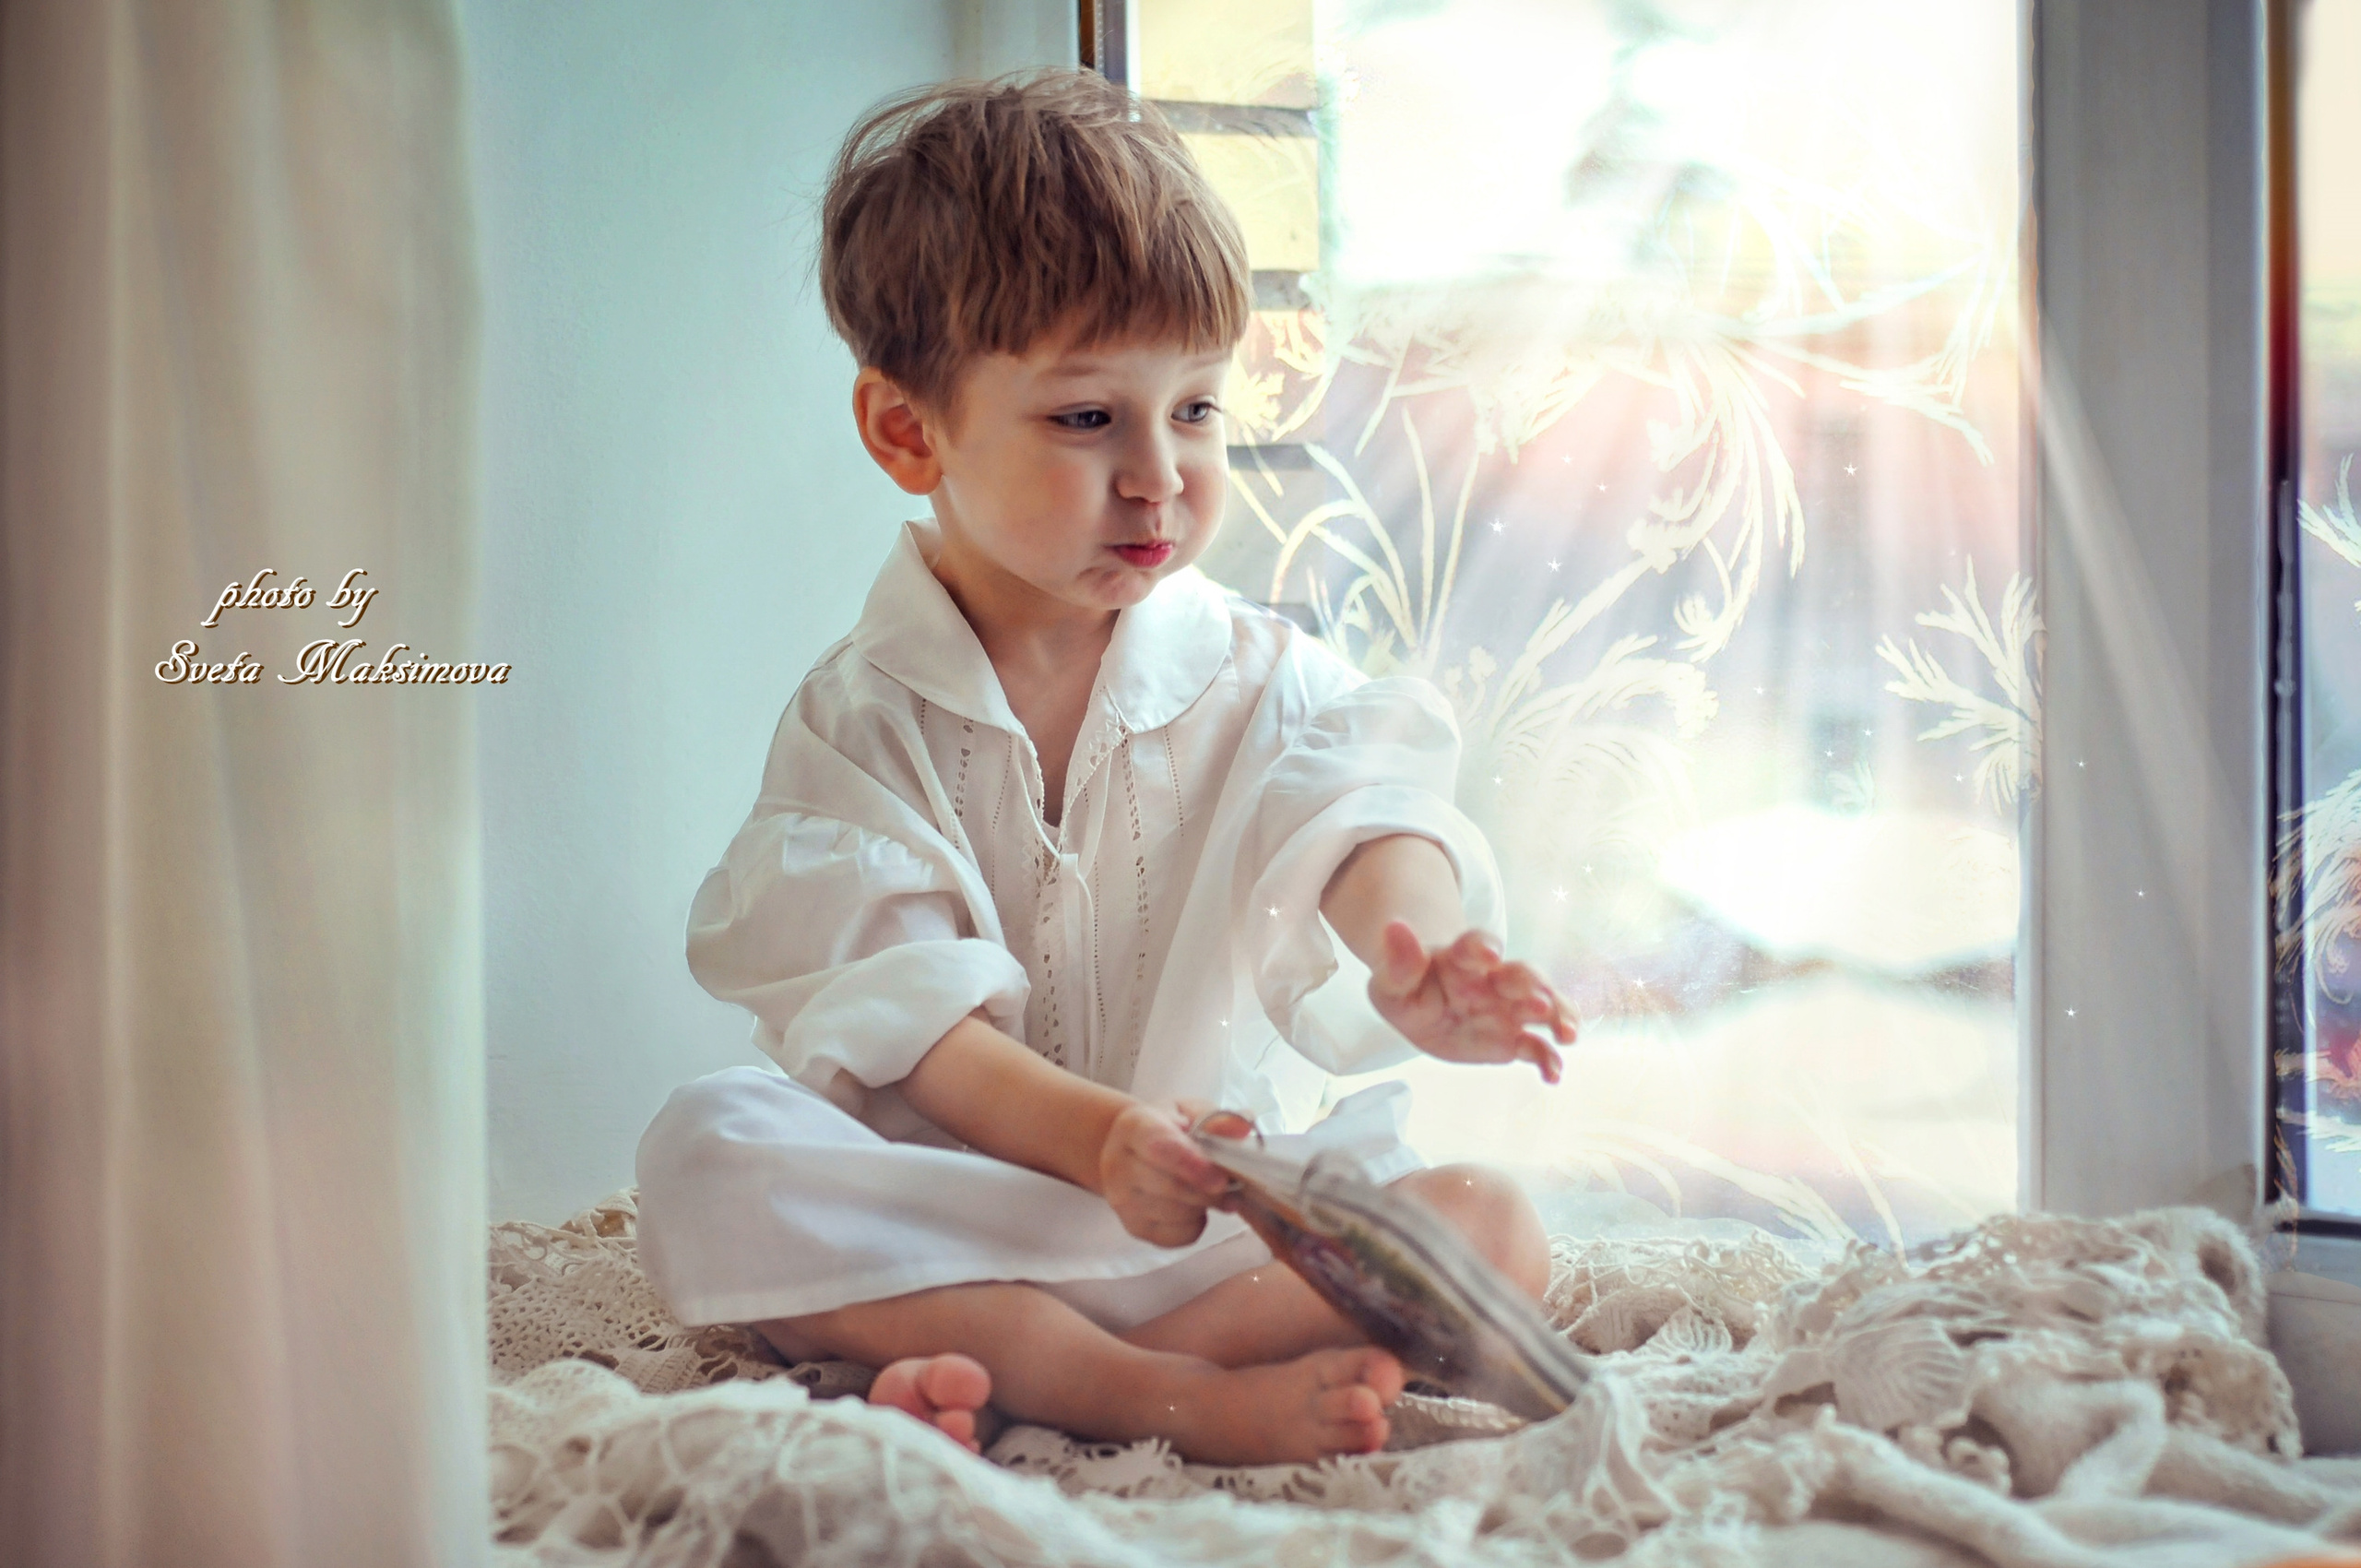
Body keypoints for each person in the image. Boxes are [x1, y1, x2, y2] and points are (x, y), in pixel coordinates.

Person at [635, 67, 1578, 1468]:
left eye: (1194, 410)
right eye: (1089, 420)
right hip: (945, 1216)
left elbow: (1364, 818)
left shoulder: (1263, 673)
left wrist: (1424, 952)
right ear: (909, 431)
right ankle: (1157, 1394)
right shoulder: (862, 721)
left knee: (1493, 1228)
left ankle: (1054, 1374)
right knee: (705, 1152)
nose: (1160, 476)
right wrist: (1101, 1145)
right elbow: (919, 1035)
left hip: (1205, 1222)